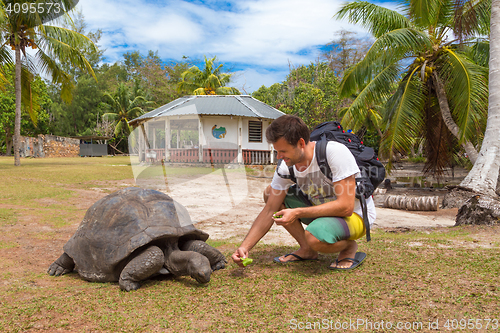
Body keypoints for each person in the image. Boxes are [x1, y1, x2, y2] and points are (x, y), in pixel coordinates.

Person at [231, 115, 376, 270]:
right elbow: (270, 210)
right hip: (323, 211)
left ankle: (348, 247)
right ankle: (307, 250)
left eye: (283, 151)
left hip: (354, 215)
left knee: (314, 237)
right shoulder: (286, 166)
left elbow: (345, 207)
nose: (279, 156)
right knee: (270, 195)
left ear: (301, 143)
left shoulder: (334, 152)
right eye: (277, 151)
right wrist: (245, 247)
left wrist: (297, 212)